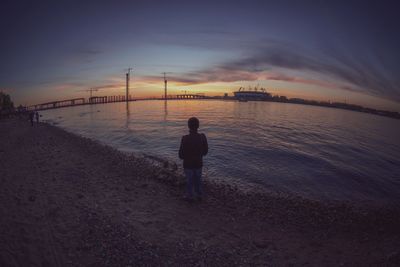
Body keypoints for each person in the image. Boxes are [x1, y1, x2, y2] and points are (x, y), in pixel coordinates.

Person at [179, 117, 208, 201]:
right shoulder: (203, 137)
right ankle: (199, 195)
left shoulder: (185, 138)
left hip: (188, 164)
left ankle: (190, 196)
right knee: (198, 180)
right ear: (198, 126)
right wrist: (198, 154)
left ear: (188, 126)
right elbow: (205, 152)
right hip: (198, 163)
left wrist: (188, 156)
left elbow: (180, 155)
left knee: (189, 180)